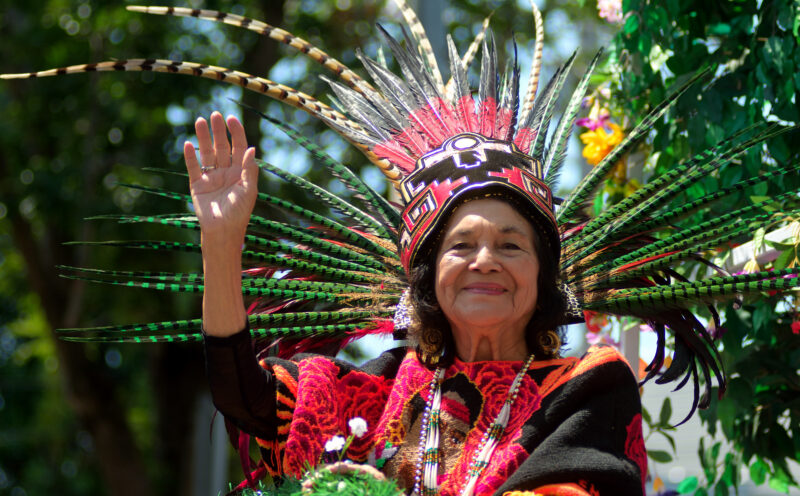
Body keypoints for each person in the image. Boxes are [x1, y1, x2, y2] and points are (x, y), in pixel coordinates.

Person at [190, 112, 647, 495]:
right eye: (461, 246)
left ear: (543, 279)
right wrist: (222, 244)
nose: (484, 261)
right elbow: (247, 397)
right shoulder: (383, 388)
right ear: (428, 281)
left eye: (511, 246)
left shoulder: (588, 387)